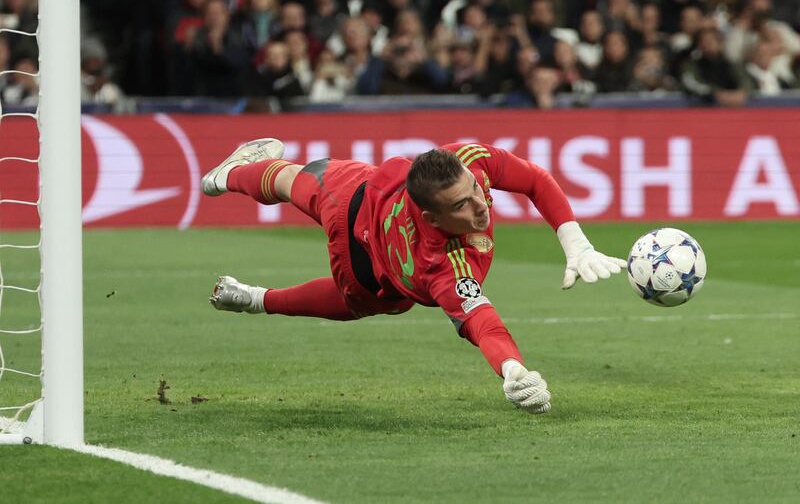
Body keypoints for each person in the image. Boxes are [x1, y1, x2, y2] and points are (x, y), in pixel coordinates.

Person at [201, 139, 628, 413]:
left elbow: (535, 179)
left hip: (364, 187)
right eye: (461, 205)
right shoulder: (439, 263)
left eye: (476, 191)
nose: (480, 207)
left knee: (299, 177)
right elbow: (483, 322)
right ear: (431, 217)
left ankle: (228, 183)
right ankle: (253, 286)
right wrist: (514, 370)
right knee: (364, 301)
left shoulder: (468, 161)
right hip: (363, 259)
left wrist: (577, 244)